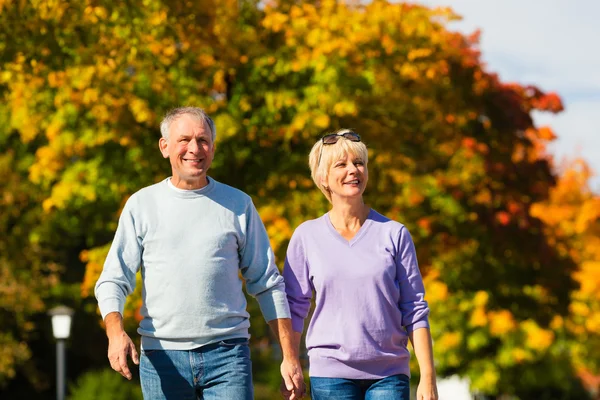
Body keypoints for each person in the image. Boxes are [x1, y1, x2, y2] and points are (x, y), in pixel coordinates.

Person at [95, 107, 305, 400]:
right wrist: (115, 333)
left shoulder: (238, 205)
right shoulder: (141, 205)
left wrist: (290, 356)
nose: (195, 149)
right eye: (184, 140)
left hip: (228, 356)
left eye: (203, 140)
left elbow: (268, 283)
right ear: (164, 146)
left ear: (213, 149)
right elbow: (113, 280)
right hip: (162, 357)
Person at [282, 130, 438, 400]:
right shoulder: (306, 236)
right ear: (323, 178)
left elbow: (414, 308)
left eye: (359, 163)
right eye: (341, 164)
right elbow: (294, 307)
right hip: (330, 374)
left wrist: (428, 377)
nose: (353, 170)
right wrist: (290, 361)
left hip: (389, 375)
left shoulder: (394, 233)